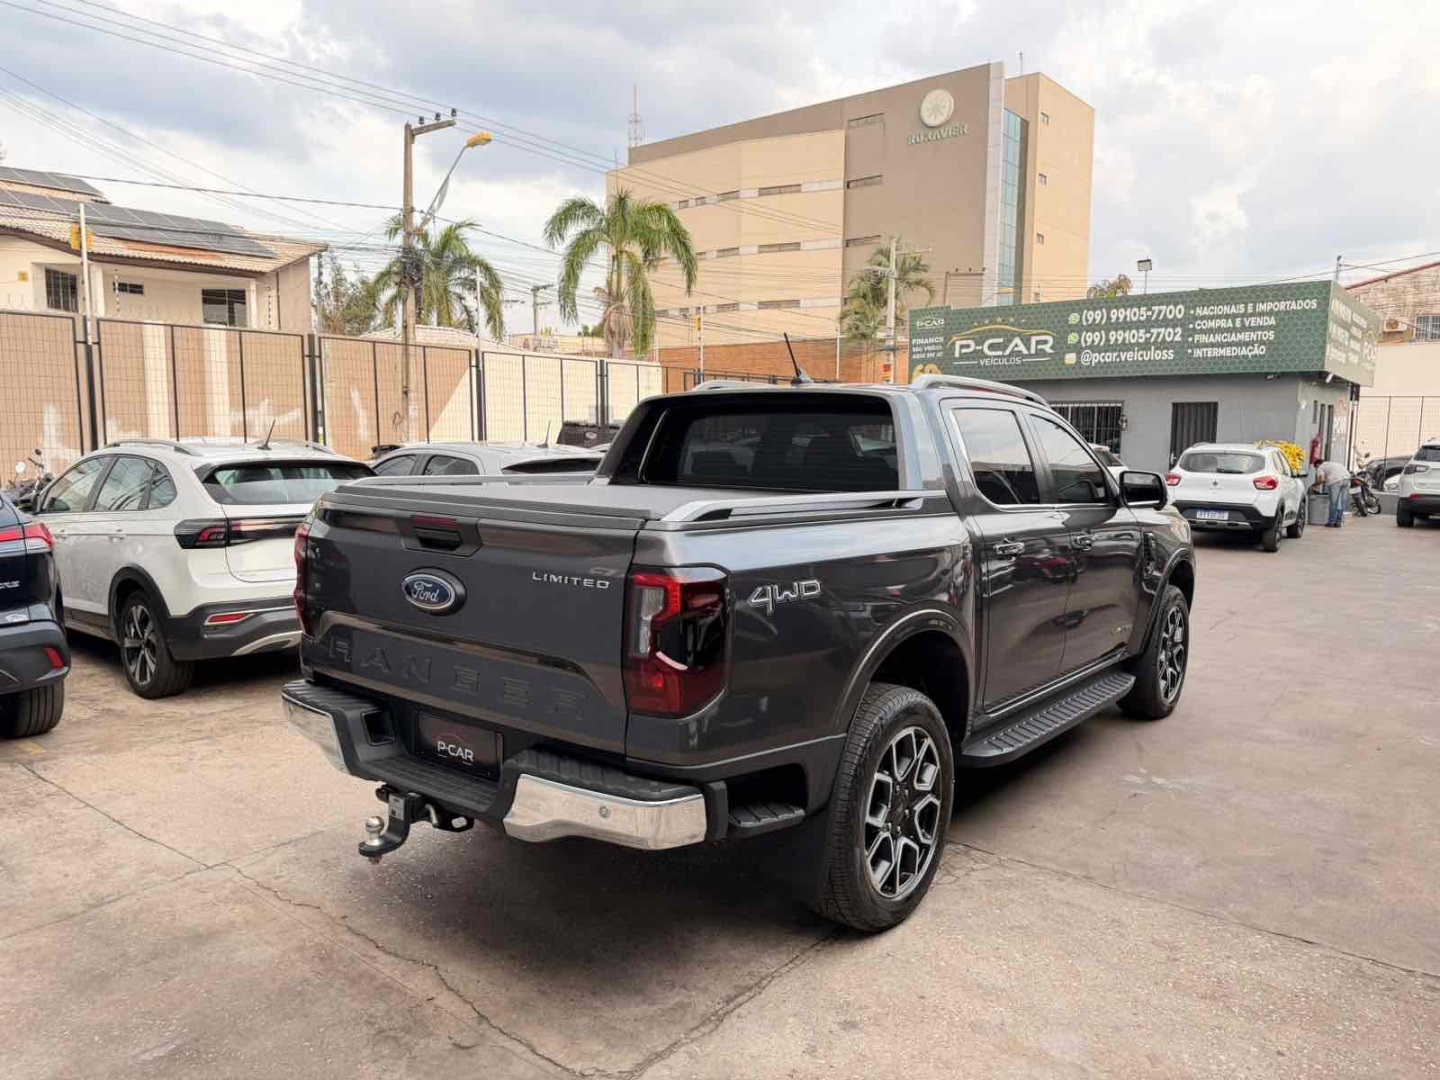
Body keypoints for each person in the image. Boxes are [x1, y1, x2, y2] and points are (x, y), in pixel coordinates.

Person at [1315, 459, 1350, 527]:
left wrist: (1314, 485)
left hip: (1335, 480)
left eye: (1316, 468)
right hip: (1347, 479)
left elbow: (1321, 479)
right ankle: (1338, 522)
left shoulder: (1320, 467)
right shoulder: (1334, 463)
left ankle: (1331, 522)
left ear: (1317, 465)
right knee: (1342, 502)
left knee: (1334, 502)